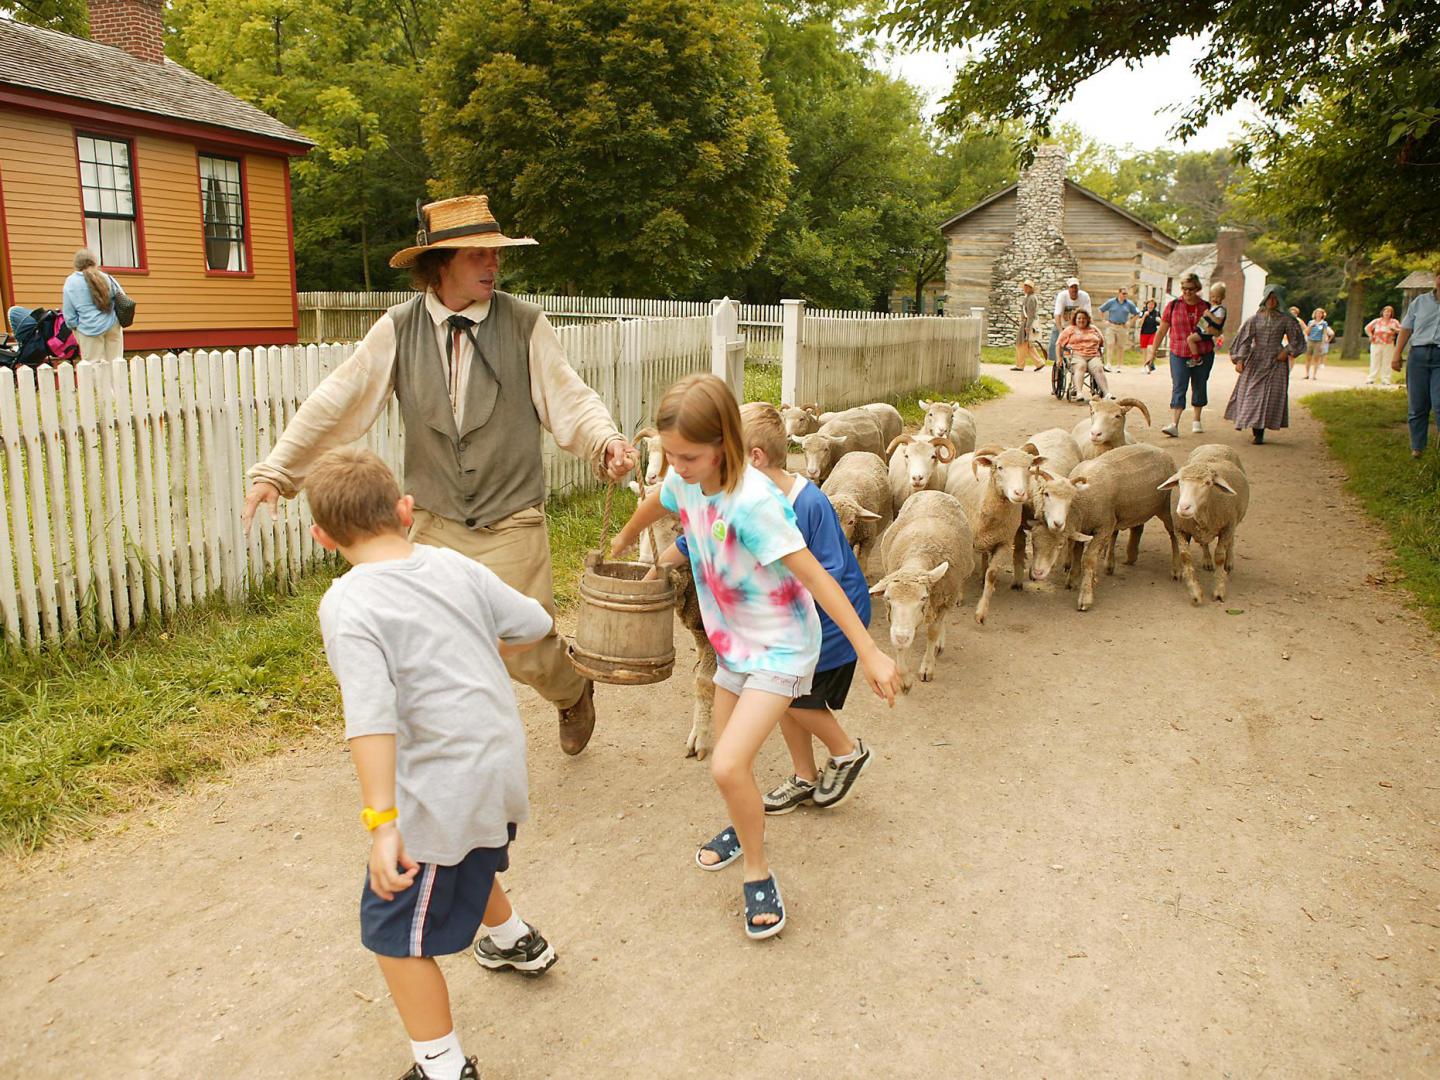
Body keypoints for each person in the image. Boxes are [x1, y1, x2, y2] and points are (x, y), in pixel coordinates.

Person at [241, 194, 639, 756]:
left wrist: (606, 441)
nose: (491, 265)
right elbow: (339, 400)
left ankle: (572, 689)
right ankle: (453, 752)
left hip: (511, 519)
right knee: (432, 641)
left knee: (524, 645)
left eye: (494, 254)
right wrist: (277, 471)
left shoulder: (524, 323)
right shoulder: (398, 329)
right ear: (441, 263)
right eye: (477, 254)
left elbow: (568, 397)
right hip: (434, 521)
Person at [609, 375, 900, 940]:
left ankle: (758, 871)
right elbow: (659, 499)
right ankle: (743, 828)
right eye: (670, 454)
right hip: (734, 646)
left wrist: (869, 651)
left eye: (688, 456)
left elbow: (817, 577)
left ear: (726, 445)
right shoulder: (687, 480)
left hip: (783, 649)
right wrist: (624, 537)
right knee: (728, 760)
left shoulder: (755, 503)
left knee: (726, 765)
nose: (678, 466)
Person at [309, 446, 557, 1080]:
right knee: (468, 854)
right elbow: (532, 622)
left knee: (391, 932)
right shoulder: (452, 565)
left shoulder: (349, 602)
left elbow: (371, 719)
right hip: (497, 764)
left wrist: (383, 822)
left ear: (322, 537)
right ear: (406, 510)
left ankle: (442, 1066)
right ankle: (514, 940)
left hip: (440, 787)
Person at [661, 403, 875, 814]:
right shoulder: (734, 499)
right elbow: (696, 539)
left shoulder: (808, 504)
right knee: (781, 696)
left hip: (825, 623)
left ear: (753, 458)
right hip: (775, 629)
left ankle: (846, 751)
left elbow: (826, 572)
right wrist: (653, 566)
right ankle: (804, 776)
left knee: (791, 697)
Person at [1223, 284, 1307, 444]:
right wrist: (1240, 359)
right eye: (1269, 297)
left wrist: (1287, 350)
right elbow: (1244, 340)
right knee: (1252, 394)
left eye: (1275, 298)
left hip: (1275, 361)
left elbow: (1297, 339)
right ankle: (1254, 426)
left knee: (1268, 396)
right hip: (1256, 360)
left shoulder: (1286, 319)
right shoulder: (1255, 319)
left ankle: (1259, 432)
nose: (1272, 301)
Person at [1151, 273, 1214, 437]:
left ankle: (1196, 420)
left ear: (1197, 289)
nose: (1187, 292)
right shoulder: (1173, 305)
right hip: (1179, 351)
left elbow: (1215, 328)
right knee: (1179, 385)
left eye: (1191, 289)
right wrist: (1153, 351)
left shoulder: (1206, 307)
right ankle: (1174, 424)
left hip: (1203, 351)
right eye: (1184, 289)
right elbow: (1162, 329)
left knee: (1200, 384)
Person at [1392, 268, 1440, 458]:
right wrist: (1397, 354)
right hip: (1418, 356)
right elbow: (1406, 329)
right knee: (1418, 404)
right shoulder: (1420, 302)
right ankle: (1417, 448)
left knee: (1439, 404)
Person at [62, 249, 126, 362]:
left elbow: (69, 313)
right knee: (116, 364)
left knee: (93, 367)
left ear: (76, 264)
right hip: (112, 325)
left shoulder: (71, 282)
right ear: (95, 262)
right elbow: (122, 298)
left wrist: (75, 326)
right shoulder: (106, 277)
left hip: (89, 328)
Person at [1056, 308, 1111, 401]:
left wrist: (1100, 352)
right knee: (1081, 366)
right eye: (1079, 318)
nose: (1081, 320)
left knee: (1098, 368)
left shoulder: (1094, 329)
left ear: (1087, 320)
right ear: (1075, 319)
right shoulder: (1070, 330)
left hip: (1093, 355)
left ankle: (1107, 393)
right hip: (1077, 355)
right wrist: (1059, 358)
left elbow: (1102, 342)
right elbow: (1059, 344)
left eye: (1084, 318)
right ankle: (1079, 393)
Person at [1049, 277, 1092, 363]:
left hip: (1077, 326)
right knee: (1055, 344)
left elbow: (1088, 315)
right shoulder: (1062, 296)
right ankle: (1058, 363)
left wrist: (1088, 329)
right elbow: (1057, 315)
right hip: (1062, 324)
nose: (1074, 289)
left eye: (1076, 287)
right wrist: (1061, 331)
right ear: (1068, 288)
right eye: (1072, 287)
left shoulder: (1084, 296)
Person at [1098, 286, 1139, 369]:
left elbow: (1137, 313)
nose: (1125, 295)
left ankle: (1119, 365)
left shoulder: (1129, 303)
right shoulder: (1111, 302)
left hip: (1122, 327)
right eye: (1123, 293)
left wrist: (1130, 322)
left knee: (1121, 346)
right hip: (1112, 325)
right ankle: (1109, 363)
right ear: (1119, 293)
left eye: (1126, 294)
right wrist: (1104, 320)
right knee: (1110, 344)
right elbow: (1101, 310)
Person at [1185, 282, 1228, 363]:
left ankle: (1196, 358)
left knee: (1190, 339)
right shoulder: (1213, 307)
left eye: (1217, 297)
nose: (1214, 299)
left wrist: (1209, 314)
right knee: (1191, 336)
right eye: (1212, 297)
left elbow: (1218, 322)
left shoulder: (1220, 309)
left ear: (1223, 297)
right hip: (1202, 329)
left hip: (1207, 331)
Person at [1364, 305, 1402, 386]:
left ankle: (1385, 379)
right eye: (1386, 312)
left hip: (1388, 343)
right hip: (1376, 343)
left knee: (1387, 361)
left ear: (1391, 314)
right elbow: (1367, 328)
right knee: (1375, 361)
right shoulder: (1377, 321)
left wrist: (1395, 330)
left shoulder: (1394, 322)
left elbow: (1401, 330)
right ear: (1383, 312)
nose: (1387, 313)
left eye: (1389, 312)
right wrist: (1370, 335)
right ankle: (1371, 378)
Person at [1011, 280, 1044, 371]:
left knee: (1021, 344)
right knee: (1027, 345)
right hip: (1025, 322)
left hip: (1027, 323)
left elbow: (1031, 314)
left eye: (1027, 287)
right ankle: (1039, 363)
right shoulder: (1028, 297)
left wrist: (1027, 327)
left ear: (1031, 288)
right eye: (1024, 286)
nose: (1025, 288)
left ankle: (1020, 365)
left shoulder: (1031, 298)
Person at [1303, 307, 1333, 380]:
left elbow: (1325, 333)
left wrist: (1323, 343)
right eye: (1317, 313)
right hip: (1310, 340)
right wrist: (1311, 326)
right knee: (1308, 357)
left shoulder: (1324, 323)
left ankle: (1314, 375)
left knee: (1316, 358)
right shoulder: (1311, 322)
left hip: (1318, 341)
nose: (1318, 315)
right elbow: (1306, 332)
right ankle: (1307, 374)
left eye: (1320, 313)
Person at [1137, 299, 1160, 372]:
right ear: (1147, 305)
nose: (1150, 306)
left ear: (1154, 306)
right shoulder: (1142, 312)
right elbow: (1139, 324)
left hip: (1153, 333)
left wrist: (1159, 320)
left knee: (1150, 349)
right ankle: (1145, 366)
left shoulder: (1156, 313)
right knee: (1144, 351)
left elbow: (1161, 323)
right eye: (1149, 304)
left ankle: (1148, 365)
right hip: (1144, 333)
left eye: (1152, 304)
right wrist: (1144, 316)